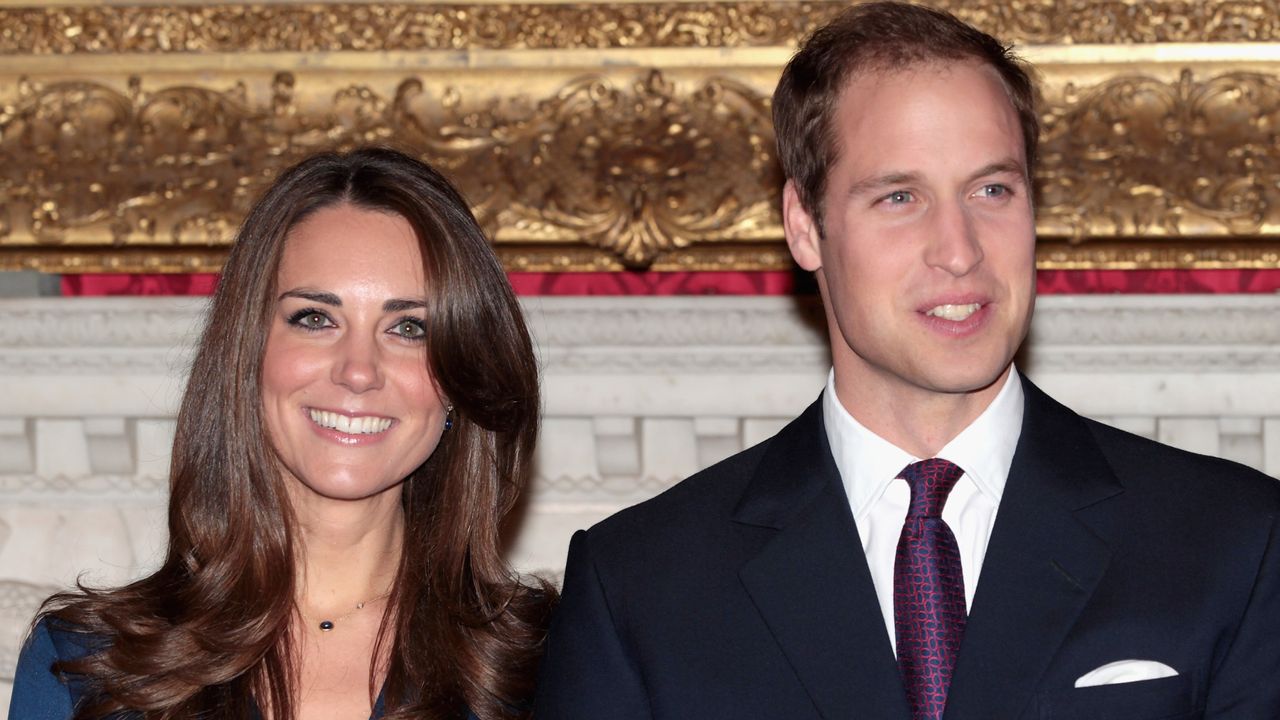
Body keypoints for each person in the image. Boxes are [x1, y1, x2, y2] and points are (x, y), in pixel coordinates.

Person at [534, 3, 1280, 719]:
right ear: (804, 225)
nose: (960, 250)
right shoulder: (642, 587)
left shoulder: (1233, 543)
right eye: (899, 198)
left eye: (992, 189)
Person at [10, 148, 555, 720]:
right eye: (315, 319)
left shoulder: (547, 662)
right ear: (248, 353)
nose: (359, 370)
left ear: (459, 379)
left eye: (409, 327)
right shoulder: (86, 668)